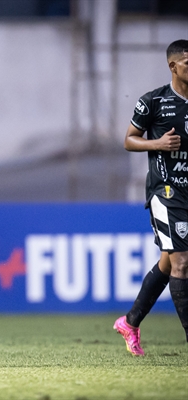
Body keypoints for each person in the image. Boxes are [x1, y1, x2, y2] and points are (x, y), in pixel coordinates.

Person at [115, 39, 188, 354]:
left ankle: (130, 322)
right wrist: (157, 144)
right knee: (182, 263)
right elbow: (129, 140)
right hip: (167, 192)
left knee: (167, 263)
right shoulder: (154, 101)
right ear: (173, 66)